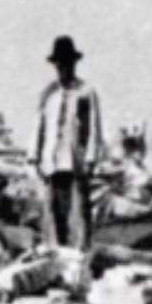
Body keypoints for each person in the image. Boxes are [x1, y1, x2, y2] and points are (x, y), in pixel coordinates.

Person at [32, 35, 104, 251]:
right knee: (53, 218)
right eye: (60, 63)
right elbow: (39, 126)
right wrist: (34, 157)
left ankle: (79, 260)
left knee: (78, 216)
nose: (63, 67)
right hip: (51, 164)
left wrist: (91, 159)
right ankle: (57, 259)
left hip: (75, 163)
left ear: (74, 63)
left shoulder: (85, 92)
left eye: (67, 63)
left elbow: (94, 128)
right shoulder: (48, 94)